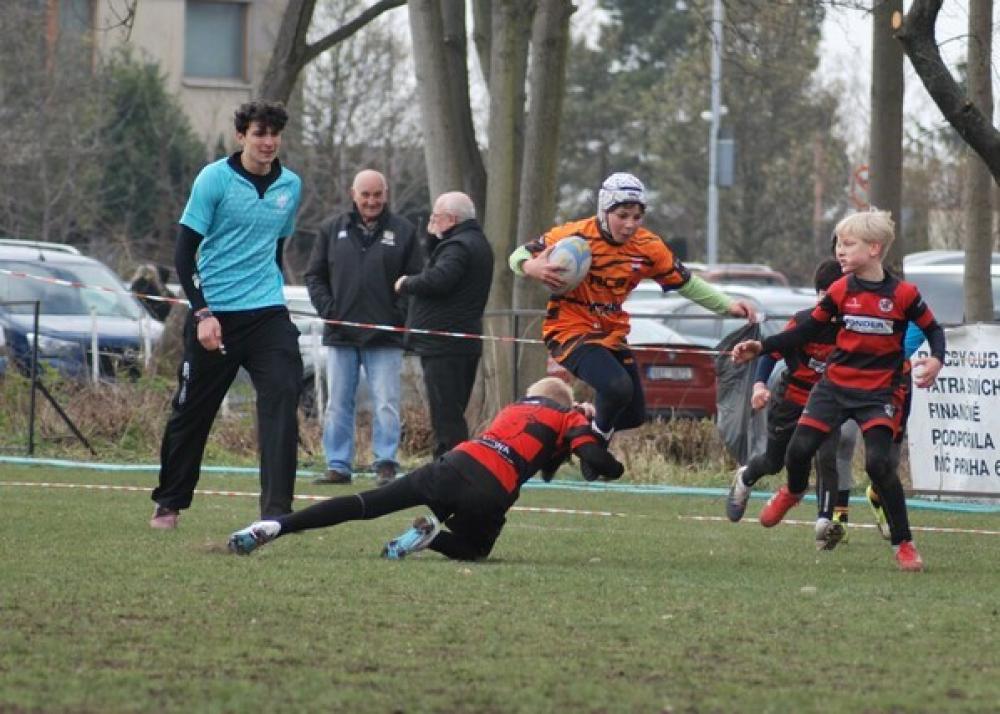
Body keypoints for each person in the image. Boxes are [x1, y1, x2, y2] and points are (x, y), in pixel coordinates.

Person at [731, 210, 945, 571]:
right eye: (839, 245)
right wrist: (762, 347)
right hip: (834, 387)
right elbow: (805, 331)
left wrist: (936, 359)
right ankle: (793, 491)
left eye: (848, 244)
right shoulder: (841, 290)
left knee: (879, 465)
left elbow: (934, 330)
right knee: (798, 450)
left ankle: (904, 543)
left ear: (874, 249)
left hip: (878, 393)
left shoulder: (904, 295)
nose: (839, 251)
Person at [509, 172, 756, 468]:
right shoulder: (575, 235)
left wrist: (728, 306)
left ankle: (576, 432)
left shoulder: (648, 247)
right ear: (604, 211)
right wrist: (531, 267)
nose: (630, 224)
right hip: (569, 330)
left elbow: (687, 283)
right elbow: (518, 254)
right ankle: (592, 451)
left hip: (610, 332)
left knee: (634, 414)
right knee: (617, 388)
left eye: (637, 217)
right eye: (622, 216)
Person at [227, 377, 624, 560]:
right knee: (474, 549)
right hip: (490, 491)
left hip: (455, 465)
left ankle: (275, 526)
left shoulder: (516, 407)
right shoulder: (568, 415)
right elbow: (594, 464)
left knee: (366, 503)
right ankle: (431, 538)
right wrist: (596, 431)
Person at [150, 101, 303, 529]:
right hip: (215, 313)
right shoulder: (214, 179)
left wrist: (268, 291)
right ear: (241, 136)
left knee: (283, 395)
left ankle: (275, 513)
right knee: (192, 411)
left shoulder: (291, 185)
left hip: (267, 313)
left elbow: (276, 248)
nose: (268, 142)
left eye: (274, 134)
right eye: (259, 133)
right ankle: (169, 502)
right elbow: (184, 254)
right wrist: (203, 313)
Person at [726, 259, 859, 550]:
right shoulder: (803, 322)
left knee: (827, 457)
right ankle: (746, 477)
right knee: (774, 462)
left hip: (827, 402)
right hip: (791, 400)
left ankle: (824, 524)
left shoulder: (850, 329)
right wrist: (759, 386)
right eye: (827, 296)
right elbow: (770, 352)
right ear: (820, 296)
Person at [305, 169, 422, 487]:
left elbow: (415, 281)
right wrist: (330, 312)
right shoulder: (331, 230)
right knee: (337, 403)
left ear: (386, 194)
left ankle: (385, 463)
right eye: (366, 194)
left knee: (386, 403)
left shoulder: (404, 231)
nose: (372, 201)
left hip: (385, 337)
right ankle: (338, 466)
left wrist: (397, 317)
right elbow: (314, 276)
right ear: (353, 194)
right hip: (340, 335)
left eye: (377, 194)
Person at [394, 191, 493, 459]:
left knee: (446, 418)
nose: (432, 221)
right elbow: (439, 265)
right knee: (451, 413)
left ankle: (450, 467)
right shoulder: (472, 242)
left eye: (435, 217)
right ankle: (451, 465)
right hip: (458, 341)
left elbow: (439, 279)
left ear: (451, 219)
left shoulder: (458, 247)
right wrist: (432, 237)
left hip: (445, 344)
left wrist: (406, 283)